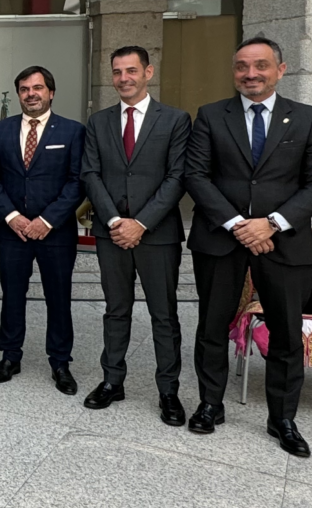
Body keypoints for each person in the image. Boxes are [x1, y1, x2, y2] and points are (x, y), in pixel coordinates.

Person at [184, 37, 312, 458]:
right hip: (221, 239)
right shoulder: (211, 115)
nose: (251, 74)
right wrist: (237, 224)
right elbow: (196, 176)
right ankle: (210, 404)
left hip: (283, 243)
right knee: (212, 325)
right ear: (234, 71)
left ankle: (282, 418)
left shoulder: (307, 118)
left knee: (286, 332)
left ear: (280, 70)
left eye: (261, 65)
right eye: (242, 66)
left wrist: (271, 223)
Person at [81, 46, 191, 425]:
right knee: (116, 310)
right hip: (111, 233)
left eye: (131, 70)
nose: (123, 78)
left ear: (148, 72)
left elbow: (178, 177)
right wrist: (115, 221)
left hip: (157, 234)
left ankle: (168, 391)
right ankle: (112, 380)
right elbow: (90, 174)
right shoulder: (98, 122)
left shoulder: (175, 120)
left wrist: (140, 223)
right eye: (117, 72)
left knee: (164, 315)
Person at [0, 65, 85, 394]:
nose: (31, 94)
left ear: (51, 93)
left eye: (38, 88)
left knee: (59, 298)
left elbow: (77, 181)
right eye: (25, 89)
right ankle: (10, 356)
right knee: (12, 295)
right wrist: (12, 216)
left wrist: (47, 220)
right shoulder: (0, 130)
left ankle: (60, 362)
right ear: (18, 95)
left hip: (56, 232)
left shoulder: (72, 131)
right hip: (13, 232)